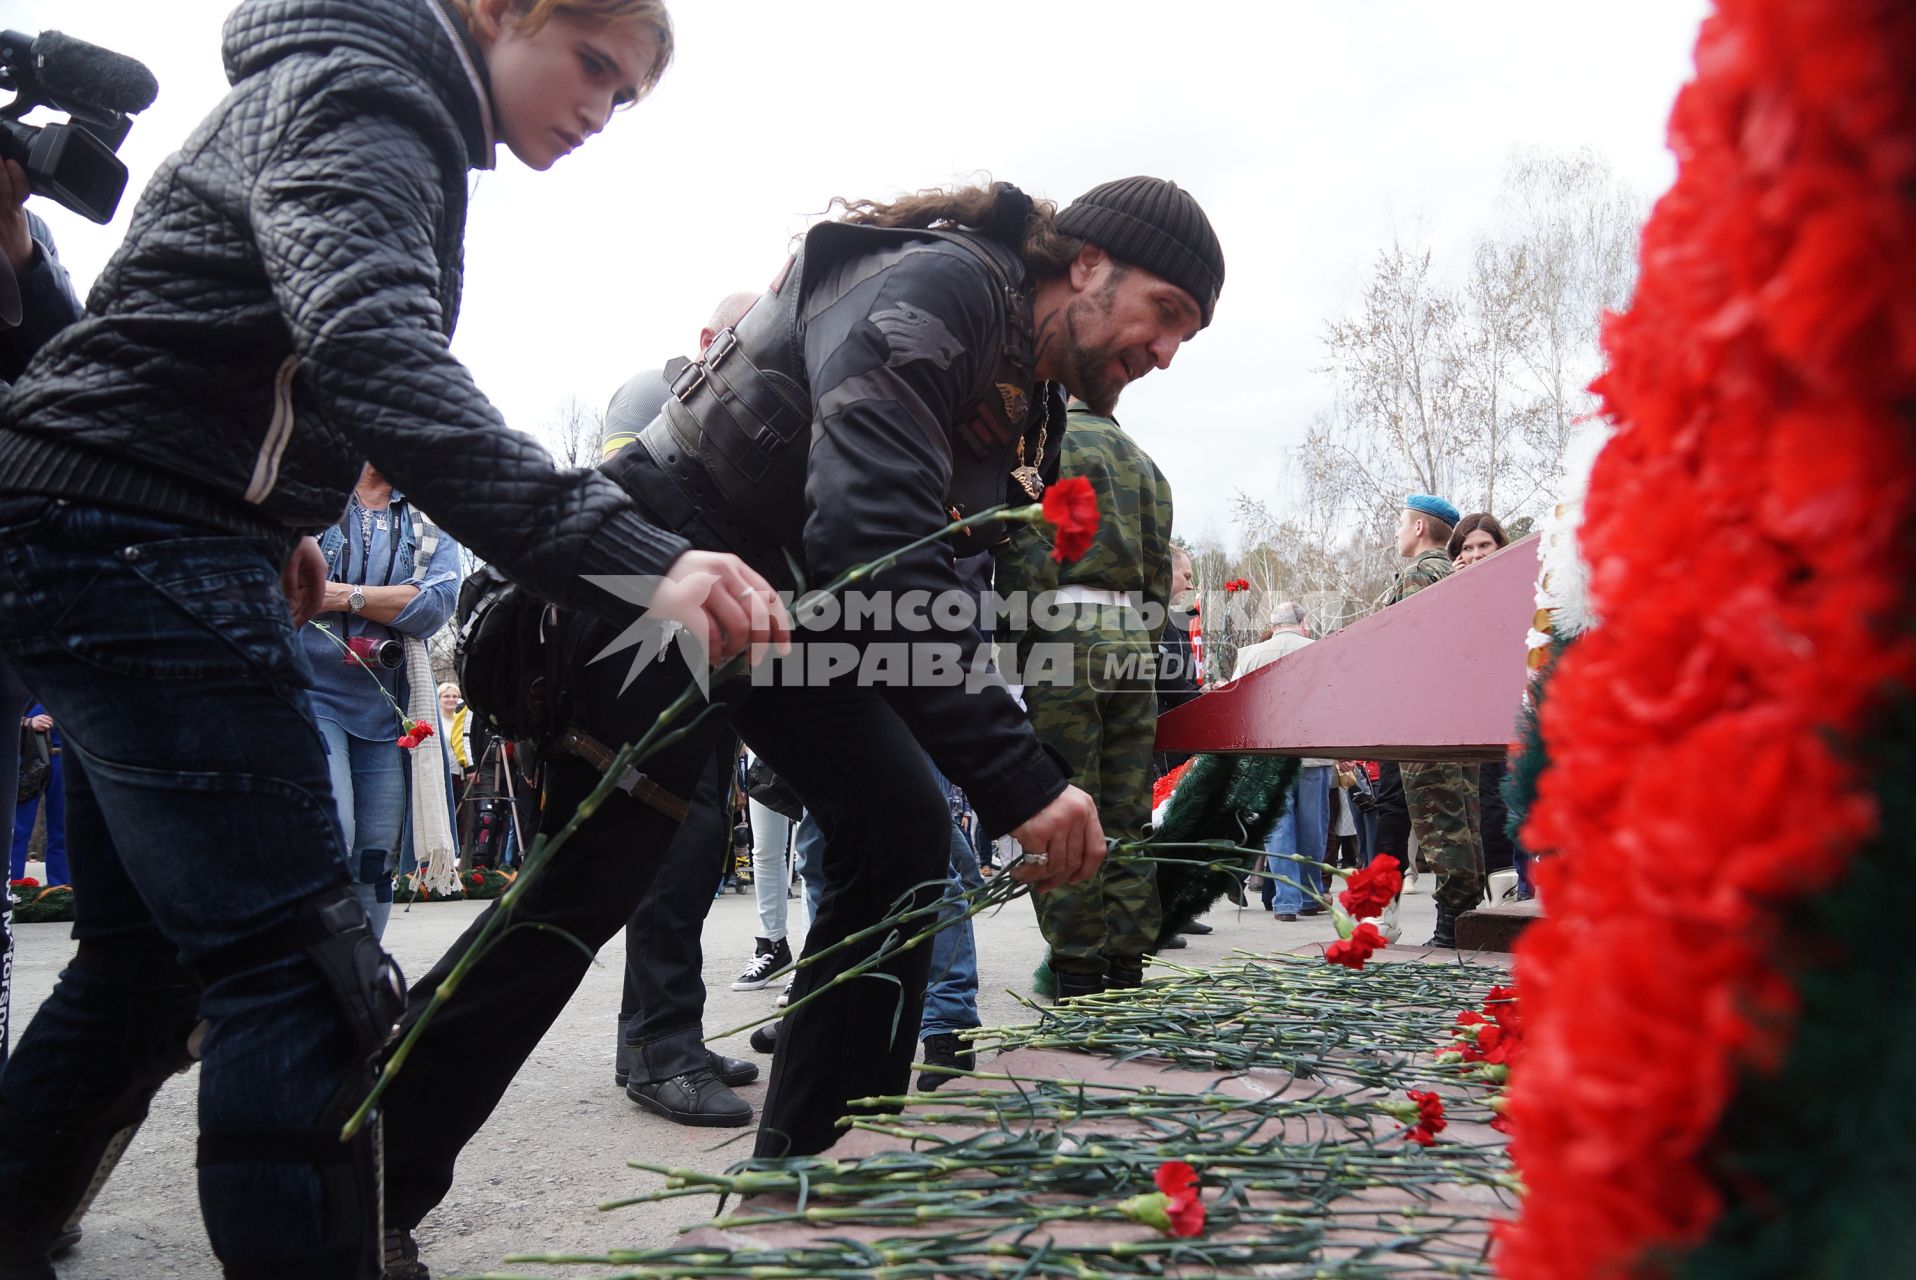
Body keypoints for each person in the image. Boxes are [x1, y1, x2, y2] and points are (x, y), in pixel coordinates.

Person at [0, 2, 787, 1275]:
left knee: (149, 963)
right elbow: (371, 346)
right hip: (131, 533)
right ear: (493, 12)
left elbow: (212, 324)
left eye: (626, 97)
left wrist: (271, 517)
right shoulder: (371, 94)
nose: (600, 109)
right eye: (592, 64)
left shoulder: (348, 87)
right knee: (307, 977)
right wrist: (641, 555)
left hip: (121, 520)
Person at [377, 175, 1222, 1257]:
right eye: (1167, 314)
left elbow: (940, 576)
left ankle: (809, 1186)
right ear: (1091, 264)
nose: (1165, 351)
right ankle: (361, 1184)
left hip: (788, 611)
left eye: (1186, 335)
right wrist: (1015, 778)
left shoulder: (1033, 395)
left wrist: (1009, 754)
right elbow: (868, 533)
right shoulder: (947, 287)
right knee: (580, 890)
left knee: (898, 835)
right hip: (666, 574)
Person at [596, 293, 764, 1128]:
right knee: (674, 851)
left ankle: (662, 1039)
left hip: (714, 658)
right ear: (710, 340)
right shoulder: (647, 396)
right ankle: (662, 1050)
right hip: (652, 660)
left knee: (694, 859)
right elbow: (637, 520)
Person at [997, 399, 1176, 999]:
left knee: (1063, 809)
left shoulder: (1047, 444)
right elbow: (1158, 573)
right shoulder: (1148, 466)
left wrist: (1015, 653)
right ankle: (1126, 971)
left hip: (1063, 634)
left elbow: (1028, 553)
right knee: (1127, 814)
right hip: (1132, 639)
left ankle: (1078, 974)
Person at [301, 465, 462, 937]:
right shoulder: (313, 491)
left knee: (375, 855)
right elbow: (284, 583)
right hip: (308, 693)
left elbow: (435, 604)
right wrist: (393, 599)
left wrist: (340, 595)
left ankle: (361, 976)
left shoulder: (430, 512)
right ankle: (308, 975)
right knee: (333, 833)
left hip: (387, 706)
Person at [1386, 495, 1488, 947]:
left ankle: (1452, 929)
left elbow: (1407, 647)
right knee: (1462, 818)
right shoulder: (1454, 573)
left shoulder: (1418, 574)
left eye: (1401, 523)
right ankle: (1463, 919)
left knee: (1438, 822)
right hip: (1455, 716)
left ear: (1420, 529)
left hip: (1423, 721)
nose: (1397, 532)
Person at [1231, 603, 1333, 921]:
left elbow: (1236, 700)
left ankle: (1286, 901)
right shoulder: (1321, 649)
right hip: (1312, 751)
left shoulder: (1249, 655)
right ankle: (1310, 894)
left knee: (1278, 827)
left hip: (1267, 754)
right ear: (1304, 622)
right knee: (1314, 827)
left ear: (1272, 624)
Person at [1448, 512, 1529, 895]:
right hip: (1469, 715)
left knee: (1509, 801)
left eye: (1485, 545)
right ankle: (1494, 895)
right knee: (1479, 803)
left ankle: (1514, 889)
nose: (1477, 555)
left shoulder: (1521, 588)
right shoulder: (1452, 591)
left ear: (1501, 546)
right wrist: (1453, 587)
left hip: (1515, 712)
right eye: (1468, 548)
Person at [9, 707, 65, 887]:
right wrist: (27, 721)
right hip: (25, 755)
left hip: (64, 756)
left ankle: (61, 888)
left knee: (62, 828)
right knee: (16, 827)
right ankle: (10, 886)